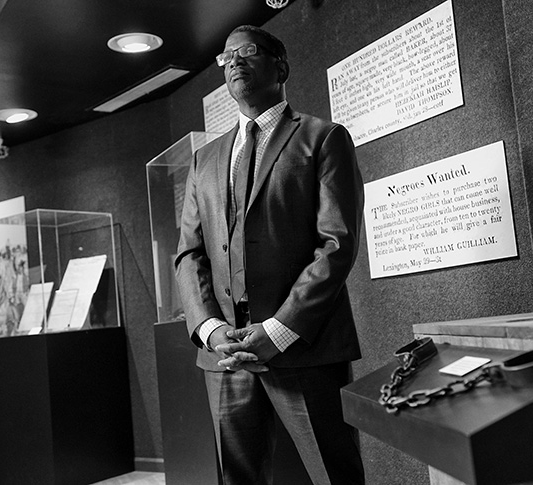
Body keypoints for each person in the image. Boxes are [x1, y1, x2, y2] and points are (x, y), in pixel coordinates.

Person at [175, 24, 365, 485]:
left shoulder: (323, 137)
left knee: (333, 473)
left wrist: (278, 331)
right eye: (226, 57)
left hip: (304, 344)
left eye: (248, 51)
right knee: (238, 477)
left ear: (281, 66)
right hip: (224, 356)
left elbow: (336, 244)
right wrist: (210, 329)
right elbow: (189, 254)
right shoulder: (205, 159)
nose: (234, 61)